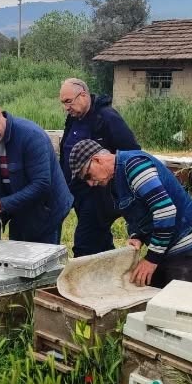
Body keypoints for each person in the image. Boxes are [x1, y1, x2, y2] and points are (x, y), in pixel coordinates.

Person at [67, 139, 192, 288]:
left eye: (87, 176)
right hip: (166, 248)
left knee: (178, 307)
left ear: (97, 160)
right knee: (155, 303)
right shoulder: (114, 180)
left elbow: (165, 212)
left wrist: (151, 260)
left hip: (187, 247)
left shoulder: (135, 167)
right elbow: (140, 209)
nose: (90, 183)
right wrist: (138, 236)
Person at [0, 97, 73, 244]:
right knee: (18, 256)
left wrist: (0, 205)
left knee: (43, 261)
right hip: (18, 208)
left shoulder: (31, 135)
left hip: (46, 210)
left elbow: (42, 184)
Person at [57, 77, 139, 257]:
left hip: (100, 192)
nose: (66, 107)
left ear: (84, 95)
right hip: (78, 191)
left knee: (84, 243)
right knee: (100, 240)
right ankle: (111, 273)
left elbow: (133, 153)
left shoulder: (107, 117)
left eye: (68, 101)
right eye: (63, 103)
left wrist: (114, 185)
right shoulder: (73, 119)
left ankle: (81, 280)